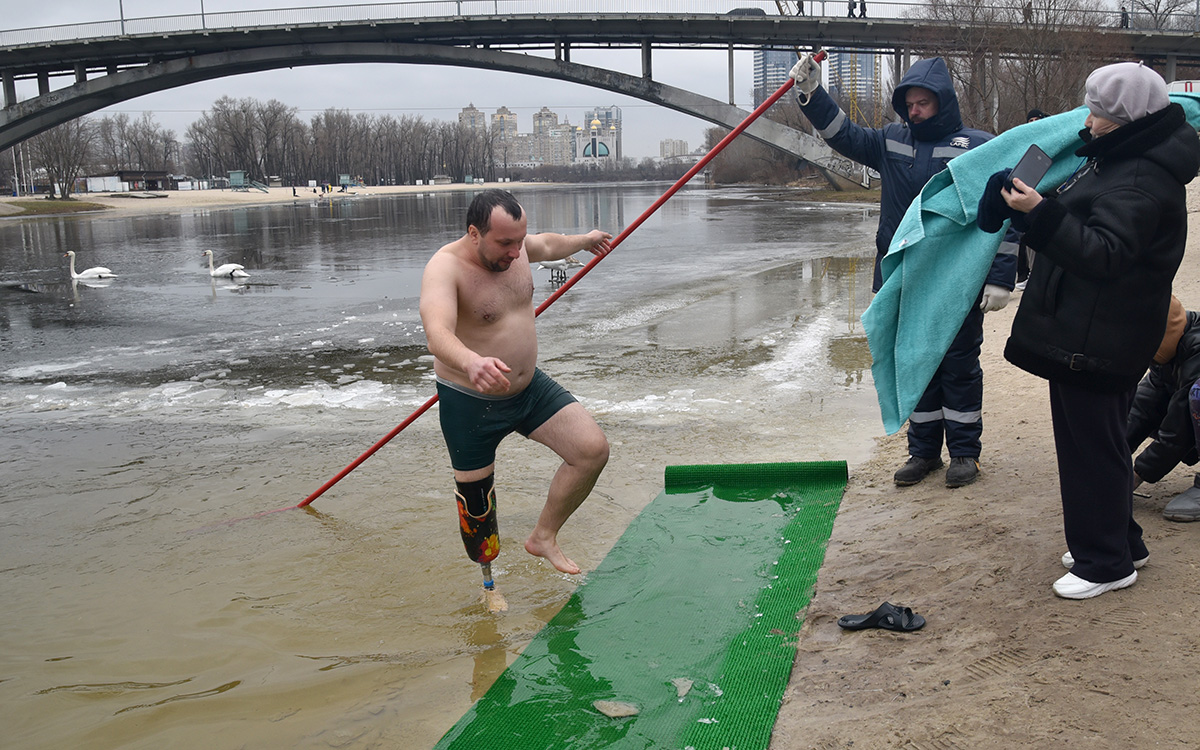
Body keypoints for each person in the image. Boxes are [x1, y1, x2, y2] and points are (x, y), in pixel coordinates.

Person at [992, 61, 1200, 599]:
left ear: (1124, 117)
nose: (1088, 120)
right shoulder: (1123, 156)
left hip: (1098, 337)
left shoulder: (1140, 177)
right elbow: (1087, 224)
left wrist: (1040, 212)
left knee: (1089, 449)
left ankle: (1104, 563)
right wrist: (1030, 207)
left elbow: (1105, 255)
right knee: (1102, 443)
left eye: (1098, 111)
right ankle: (1121, 542)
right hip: (1095, 331)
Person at [789, 54, 1013, 488]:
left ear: (943, 103)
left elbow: (1006, 210)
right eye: (909, 103)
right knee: (913, 362)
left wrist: (1001, 274)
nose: (914, 110)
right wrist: (812, 95)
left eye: (923, 102)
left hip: (954, 279)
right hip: (899, 277)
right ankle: (923, 452)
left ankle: (965, 454)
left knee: (959, 365)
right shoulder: (891, 140)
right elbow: (844, 136)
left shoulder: (980, 146)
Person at [419, 189, 613, 581]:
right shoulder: (444, 268)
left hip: (527, 390)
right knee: (478, 513)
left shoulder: (518, 248)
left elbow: (549, 244)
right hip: (470, 402)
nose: (515, 252)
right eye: (505, 243)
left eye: (518, 241)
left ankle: (544, 536)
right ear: (474, 233)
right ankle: (488, 585)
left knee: (591, 451)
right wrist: (471, 361)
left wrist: (586, 240)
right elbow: (436, 333)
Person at [1126, 296, 1200, 521]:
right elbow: (1144, 406)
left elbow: (1180, 429)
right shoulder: (1175, 346)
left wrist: (1137, 473)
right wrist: (1111, 455)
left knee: (1197, 395)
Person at [1013, 108, 1049, 291]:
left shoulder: (1051, 138)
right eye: (1030, 120)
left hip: (1048, 197)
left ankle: (1037, 275)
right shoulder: (1025, 142)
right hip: (1029, 195)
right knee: (1026, 239)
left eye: (1037, 119)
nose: (1033, 122)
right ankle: (1026, 274)